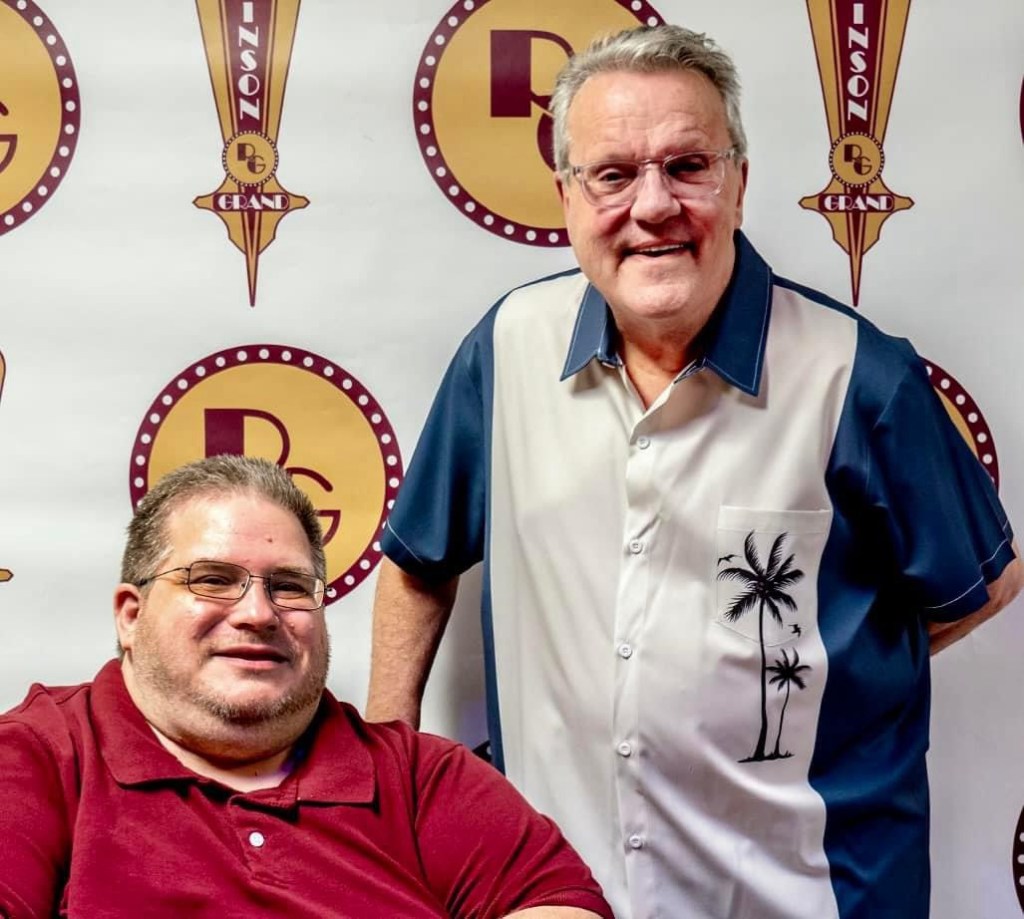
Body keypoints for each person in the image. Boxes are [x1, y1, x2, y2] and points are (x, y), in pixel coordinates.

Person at [365, 23, 1023, 919]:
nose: (653, 206)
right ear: (566, 197)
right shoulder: (506, 348)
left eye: (687, 167)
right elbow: (416, 562)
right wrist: (384, 776)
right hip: (557, 895)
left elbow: (984, 584)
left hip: (810, 893)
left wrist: (805, 678)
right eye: (612, 174)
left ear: (739, 184)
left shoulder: (858, 376)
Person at [0, 455, 612, 919]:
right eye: (213, 579)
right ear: (131, 616)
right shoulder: (37, 757)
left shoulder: (421, 778)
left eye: (289, 587)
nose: (258, 614)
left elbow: (562, 906)